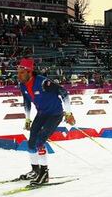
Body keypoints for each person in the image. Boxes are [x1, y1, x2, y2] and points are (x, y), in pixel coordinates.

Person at [17, 58, 75, 186]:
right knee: (31, 142)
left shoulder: (43, 82)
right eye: (18, 72)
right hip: (42, 114)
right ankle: (35, 170)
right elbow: (26, 102)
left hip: (55, 114)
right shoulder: (22, 85)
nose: (18, 75)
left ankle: (44, 174)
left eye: (21, 72)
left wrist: (69, 113)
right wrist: (27, 118)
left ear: (29, 72)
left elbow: (64, 93)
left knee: (40, 141)